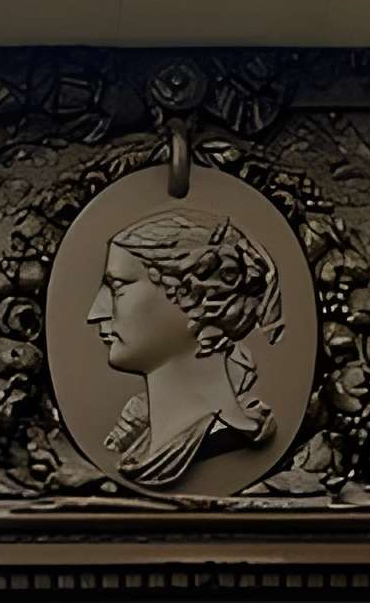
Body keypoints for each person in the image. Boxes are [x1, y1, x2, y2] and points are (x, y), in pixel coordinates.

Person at [87, 208, 284, 489]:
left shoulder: (223, 438)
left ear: (193, 295)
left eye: (117, 288)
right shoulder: (139, 447)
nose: (95, 312)